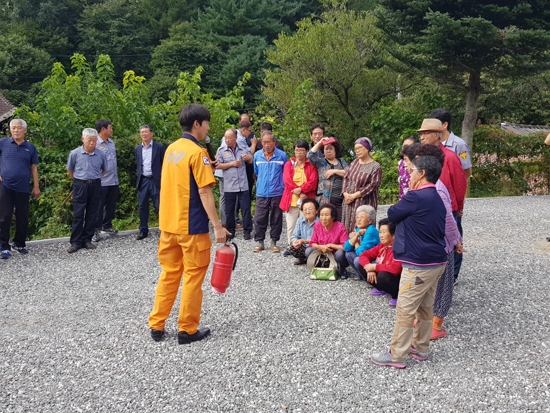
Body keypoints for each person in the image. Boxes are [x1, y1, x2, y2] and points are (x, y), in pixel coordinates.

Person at [148, 104, 229, 344]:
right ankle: (187, 329)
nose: (208, 128)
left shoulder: (171, 149)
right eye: (207, 123)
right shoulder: (198, 152)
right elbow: (204, 191)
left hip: (168, 224)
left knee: (169, 274)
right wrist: (217, 226)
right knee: (193, 276)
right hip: (191, 226)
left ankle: (157, 324)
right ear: (197, 124)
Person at [370, 156, 447, 369]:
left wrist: (409, 192)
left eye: (412, 170)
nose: (409, 174)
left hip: (418, 264)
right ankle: (421, 347)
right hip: (436, 261)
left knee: (405, 309)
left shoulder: (416, 196)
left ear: (422, 174)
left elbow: (393, 213)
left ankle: (397, 355)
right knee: (425, 306)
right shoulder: (437, 196)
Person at [415, 144, 464, 340]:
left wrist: (456, 240)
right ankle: (424, 318)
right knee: (427, 283)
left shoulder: (439, 189)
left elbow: (449, 221)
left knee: (443, 284)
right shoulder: (427, 187)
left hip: (441, 244)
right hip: (428, 244)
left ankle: (436, 323)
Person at [418, 118, 467, 283]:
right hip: (425, 205)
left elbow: (459, 184)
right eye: (421, 134)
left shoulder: (450, 157)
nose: (422, 137)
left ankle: (452, 275)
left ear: (437, 135)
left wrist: (459, 206)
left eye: (426, 133)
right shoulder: (420, 157)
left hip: (448, 206)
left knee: (452, 239)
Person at [429, 109, 471, 282]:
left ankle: (453, 274)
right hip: (433, 199)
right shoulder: (426, 150)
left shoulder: (458, 145)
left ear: (444, 125)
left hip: (450, 198)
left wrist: (459, 203)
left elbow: (465, 173)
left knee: (454, 236)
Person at [0, 119, 41, 259]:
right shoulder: (3, 143)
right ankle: (4, 246)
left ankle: (19, 243)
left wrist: (36, 186)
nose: (16, 130)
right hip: (5, 186)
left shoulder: (30, 147)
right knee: (4, 216)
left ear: (25, 130)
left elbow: (34, 167)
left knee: (22, 217)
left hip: (23, 187)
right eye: (13, 128)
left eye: (19, 128)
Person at [66, 128, 108, 253]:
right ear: (83, 139)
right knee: (78, 214)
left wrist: (94, 177)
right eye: (89, 140)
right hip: (80, 185)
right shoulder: (75, 153)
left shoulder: (101, 154)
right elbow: (70, 170)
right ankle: (75, 241)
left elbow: (104, 170)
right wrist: (80, 180)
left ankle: (87, 239)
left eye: (94, 140)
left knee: (92, 213)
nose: (92, 143)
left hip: (95, 184)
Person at [252, 130, 288, 253]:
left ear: (274, 142)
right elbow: (256, 172)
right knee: (259, 218)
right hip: (261, 191)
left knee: (276, 218)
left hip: (277, 191)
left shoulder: (282, 155)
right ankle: (260, 242)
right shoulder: (257, 155)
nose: (266, 145)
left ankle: (274, 242)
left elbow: (285, 173)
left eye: (269, 142)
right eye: (264, 142)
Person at [280, 139, 318, 250]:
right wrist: (300, 192)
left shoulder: (311, 165)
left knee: (306, 225)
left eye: (301, 150)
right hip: (291, 200)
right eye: (297, 150)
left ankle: (306, 248)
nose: (299, 153)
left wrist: (301, 189)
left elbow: (313, 181)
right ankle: (291, 247)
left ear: (307, 151)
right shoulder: (289, 164)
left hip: (306, 200)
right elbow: (287, 180)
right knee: (291, 226)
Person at [216, 128, 253, 240]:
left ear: (236, 138)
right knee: (230, 210)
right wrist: (232, 164)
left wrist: (249, 158)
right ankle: (230, 231)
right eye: (226, 138)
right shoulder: (221, 150)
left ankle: (247, 231)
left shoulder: (242, 148)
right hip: (229, 185)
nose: (227, 140)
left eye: (230, 138)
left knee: (246, 209)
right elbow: (217, 166)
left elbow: (251, 160)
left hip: (243, 184)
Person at [342, 137, 382, 233]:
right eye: (356, 149)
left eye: (360, 148)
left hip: (364, 201)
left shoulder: (375, 166)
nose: (357, 151)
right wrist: (345, 194)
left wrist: (355, 195)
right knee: (347, 227)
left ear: (367, 148)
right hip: (348, 201)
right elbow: (345, 178)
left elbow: (373, 185)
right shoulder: (354, 163)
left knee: (362, 226)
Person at [358, 219, 402, 307]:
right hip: (386, 274)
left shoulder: (399, 248)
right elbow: (364, 255)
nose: (381, 235)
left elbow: (396, 269)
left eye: (384, 232)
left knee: (383, 276)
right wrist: (370, 269)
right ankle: (383, 289)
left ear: (394, 235)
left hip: (398, 280)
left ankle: (397, 296)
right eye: (380, 232)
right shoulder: (382, 246)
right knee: (362, 266)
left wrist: (375, 267)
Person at [135, 125, 165, 240]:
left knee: (159, 205)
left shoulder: (159, 147)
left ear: (151, 133)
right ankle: (143, 230)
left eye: (146, 132)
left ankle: (163, 229)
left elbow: (164, 163)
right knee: (142, 205)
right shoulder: (138, 149)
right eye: (142, 132)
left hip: (155, 180)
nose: (144, 134)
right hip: (143, 180)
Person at [308, 136, 348, 221]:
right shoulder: (321, 162)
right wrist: (320, 143)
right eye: (326, 149)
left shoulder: (341, 161)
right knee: (325, 223)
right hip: (324, 200)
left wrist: (334, 171)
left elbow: (348, 173)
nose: (328, 150)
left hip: (340, 201)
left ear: (335, 150)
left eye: (331, 148)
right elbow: (310, 155)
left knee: (339, 223)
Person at [93, 119, 119, 241]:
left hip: (113, 180)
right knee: (98, 207)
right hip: (102, 181)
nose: (112, 130)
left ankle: (107, 225)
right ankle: (95, 230)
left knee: (111, 206)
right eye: (110, 128)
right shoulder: (95, 143)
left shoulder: (111, 142)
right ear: (103, 129)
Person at [307, 203, 349, 278]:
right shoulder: (317, 225)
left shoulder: (340, 227)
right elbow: (312, 243)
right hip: (322, 253)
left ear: (333, 217)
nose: (323, 218)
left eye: (326, 215)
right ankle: (320, 266)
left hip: (335, 254)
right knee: (308, 251)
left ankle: (341, 270)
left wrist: (331, 245)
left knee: (340, 254)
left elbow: (345, 246)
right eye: (321, 215)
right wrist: (320, 247)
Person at [344, 205, 380, 279]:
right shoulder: (358, 229)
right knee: (348, 254)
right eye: (357, 217)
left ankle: (368, 278)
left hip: (374, 261)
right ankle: (362, 275)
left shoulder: (371, 231)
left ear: (370, 221)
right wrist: (355, 237)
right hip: (365, 258)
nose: (358, 220)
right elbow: (346, 247)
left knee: (358, 260)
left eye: (362, 217)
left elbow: (362, 253)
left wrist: (356, 241)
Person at [288, 198, 319, 265]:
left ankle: (315, 260)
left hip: (316, 247)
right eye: (305, 210)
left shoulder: (320, 222)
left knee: (309, 251)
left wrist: (304, 241)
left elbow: (320, 240)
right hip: (303, 246)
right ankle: (303, 259)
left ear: (316, 211)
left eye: (310, 209)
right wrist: (295, 241)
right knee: (292, 247)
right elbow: (294, 235)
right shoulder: (300, 220)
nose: (307, 212)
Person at [398, 136, 419, 200]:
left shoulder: (419, 163)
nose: (405, 148)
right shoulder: (400, 163)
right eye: (404, 146)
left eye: (408, 146)